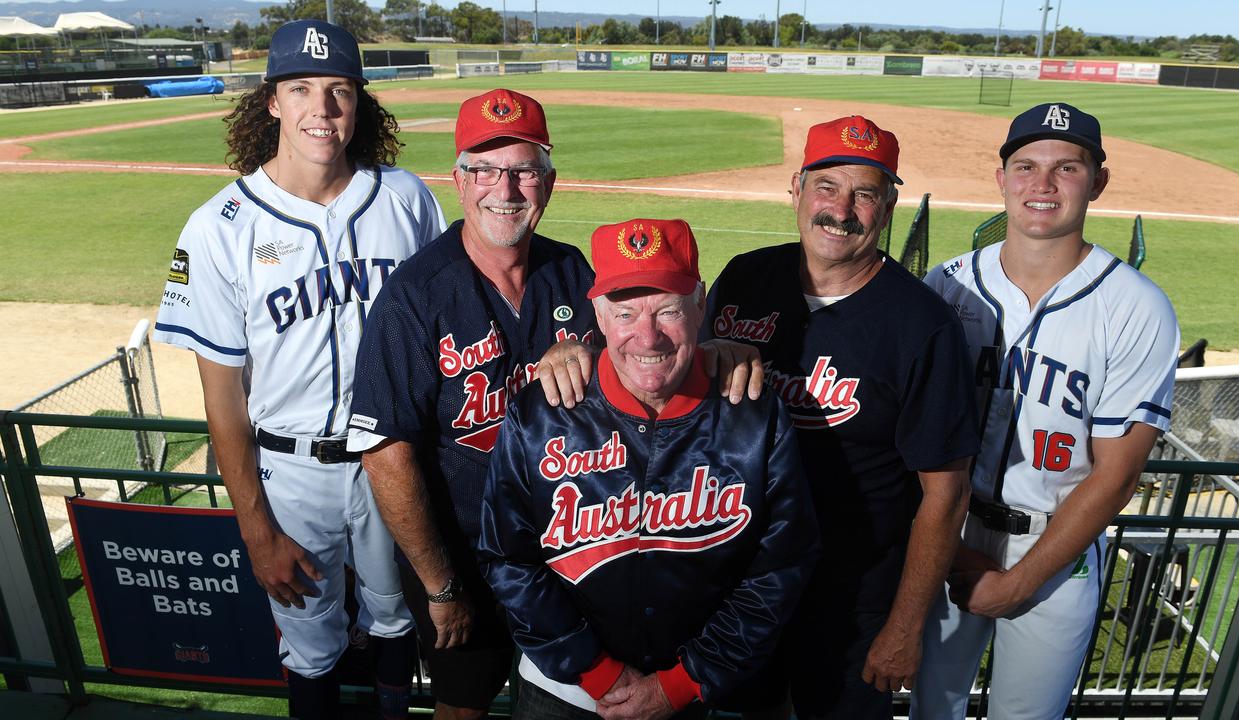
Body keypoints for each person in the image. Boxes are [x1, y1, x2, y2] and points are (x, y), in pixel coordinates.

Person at [153, 19, 445, 720]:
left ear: (360, 103)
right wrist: (256, 530)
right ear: (273, 102)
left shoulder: (404, 199)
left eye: (340, 90)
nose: (323, 109)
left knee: (399, 623)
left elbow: (446, 330)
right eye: (302, 89)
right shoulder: (220, 225)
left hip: (395, 461)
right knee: (310, 649)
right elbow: (222, 397)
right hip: (293, 474)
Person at [476, 217, 821, 720]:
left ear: (702, 305)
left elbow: (781, 566)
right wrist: (598, 673)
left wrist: (684, 682)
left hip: (712, 694)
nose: (648, 335)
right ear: (597, 313)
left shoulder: (752, 413)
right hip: (567, 695)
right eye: (625, 312)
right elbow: (508, 558)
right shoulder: (543, 411)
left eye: (668, 310)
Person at [702, 115, 979, 719]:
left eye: (865, 193)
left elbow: (947, 494)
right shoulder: (747, 276)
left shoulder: (921, 325)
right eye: (827, 187)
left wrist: (904, 628)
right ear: (796, 190)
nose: (841, 209)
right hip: (739, 581)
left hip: (852, 598)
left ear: (887, 208)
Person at [910, 102, 1180, 720]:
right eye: (1026, 165)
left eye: (1068, 168)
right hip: (944, 532)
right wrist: (947, 550)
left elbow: (1116, 474)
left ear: (1098, 182)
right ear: (1001, 178)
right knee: (931, 709)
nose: (1043, 184)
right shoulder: (947, 286)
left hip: (1054, 555)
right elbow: (910, 432)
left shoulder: (1136, 306)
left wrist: (1018, 583)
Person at [347, 88, 596, 720]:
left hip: (570, 553)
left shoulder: (573, 273)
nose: (504, 189)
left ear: (549, 182)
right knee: (463, 708)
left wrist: (596, 351)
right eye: (484, 169)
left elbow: (644, 364)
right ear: (458, 181)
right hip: (465, 562)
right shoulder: (414, 297)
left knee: (580, 703)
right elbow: (385, 455)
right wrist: (441, 586)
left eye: (522, 170)